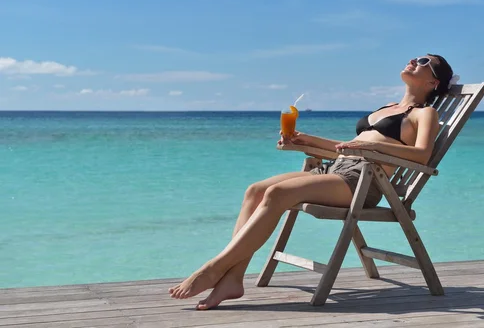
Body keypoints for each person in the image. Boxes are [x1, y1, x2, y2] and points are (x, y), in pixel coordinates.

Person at [168, 54, 457, 310]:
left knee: (278, 193)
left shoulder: (424, 113)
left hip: (364, 182)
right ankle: (233, 278)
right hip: (337, 169)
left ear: (433, 82)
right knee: (255, 190)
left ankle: (212, 269)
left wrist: (374, 150)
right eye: (415, 57)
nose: (413, 61)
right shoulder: (388, 107)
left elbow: (421, 155)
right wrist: (305, 139)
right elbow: (347, 146)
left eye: (424, 62)